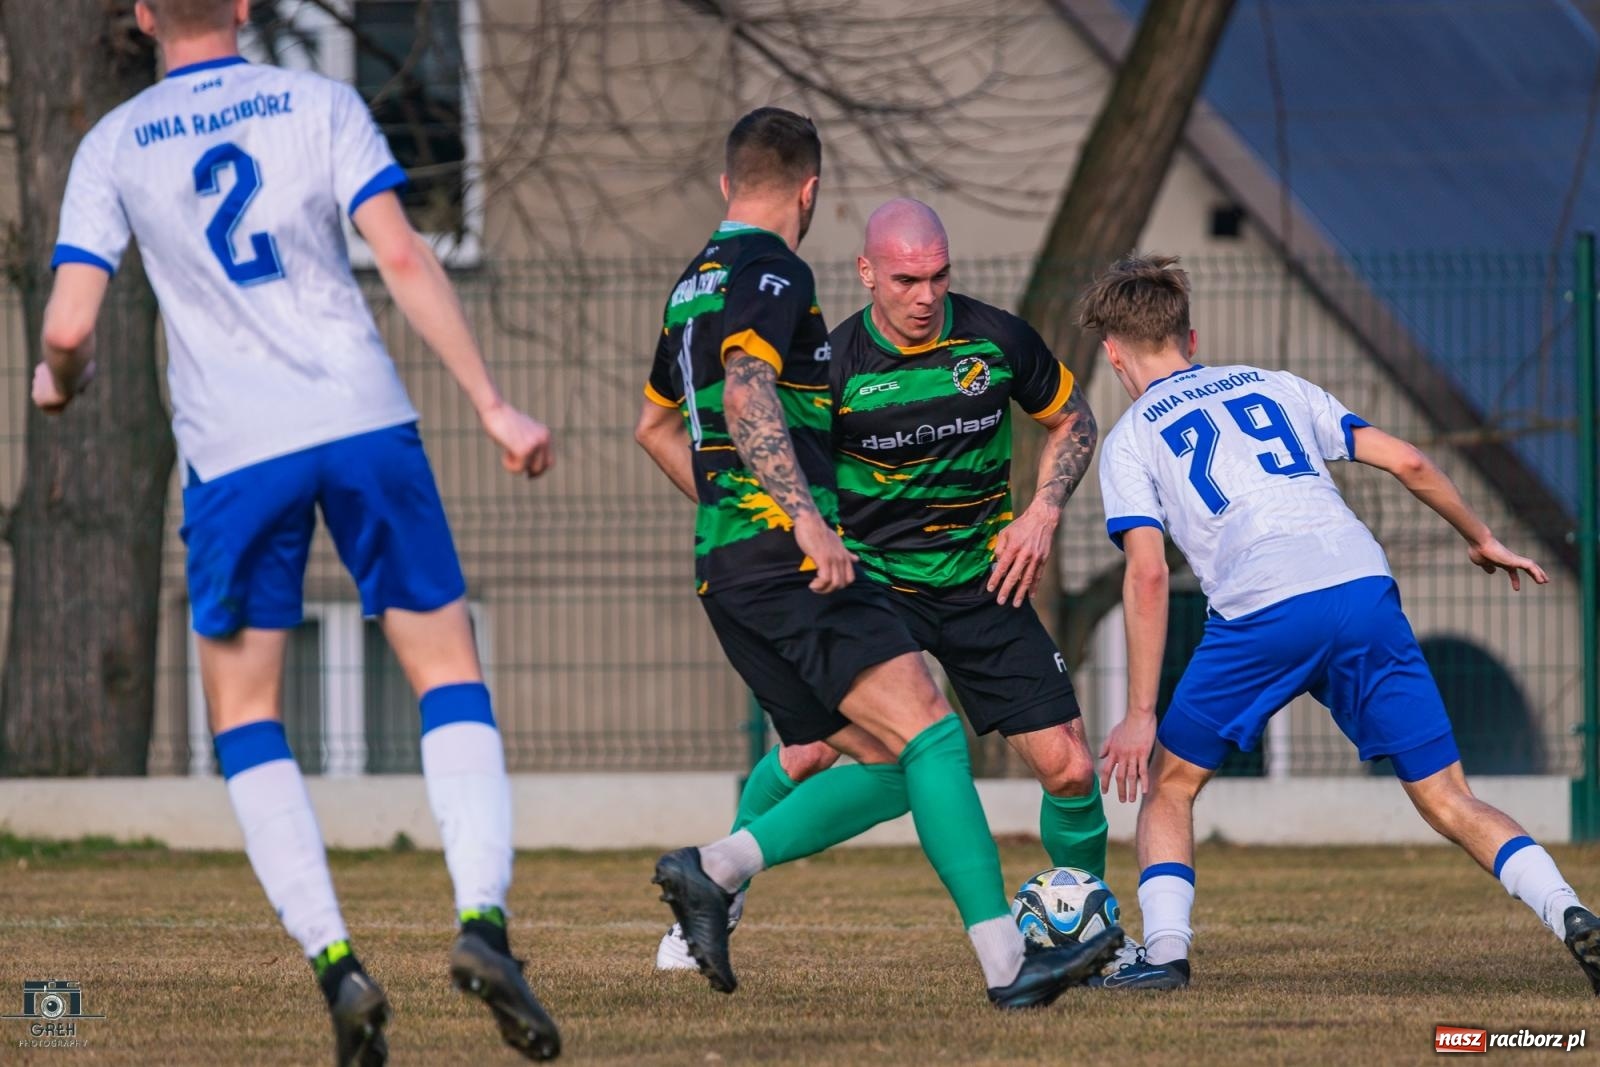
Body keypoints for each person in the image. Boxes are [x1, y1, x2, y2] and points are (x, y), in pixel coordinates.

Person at [34, 0, 561, 1060]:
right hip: (364, 419)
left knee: (244, 714)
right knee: (446, 670)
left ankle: (338, 964)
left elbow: (70, 322)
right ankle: (483, 922)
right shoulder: (321, 101)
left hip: (238, 453)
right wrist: (496, 407)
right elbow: (405, 259)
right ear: (242, 6)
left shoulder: (113, 143)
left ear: (141, 18)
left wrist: (60, 379)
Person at [634, 108, 1121, 1010]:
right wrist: (804, 522)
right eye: (906, 277)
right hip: (852, 569)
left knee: (1028, 765)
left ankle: (719, 872)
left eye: (939, 276)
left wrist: (1042, 513)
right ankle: (1001, 967)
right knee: (891, 745)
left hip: (964, 579)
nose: (925, 293)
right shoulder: (786, 289)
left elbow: (657, 424)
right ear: (832, 222)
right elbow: (745, 393)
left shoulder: (693, 283)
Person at [1086, 253, 1600, 994]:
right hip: (1362, 586)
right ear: (1189, 338)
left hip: (1264, 607)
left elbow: (1148, 571)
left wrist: (1138, 712)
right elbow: (1412, 461)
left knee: (1170, 783)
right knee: (1448, 795)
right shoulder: (1275, 386)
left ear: (1112, 352)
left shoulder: (1133, 436)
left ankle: (1165, 955)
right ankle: (1572, 910)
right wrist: (1480, 536)